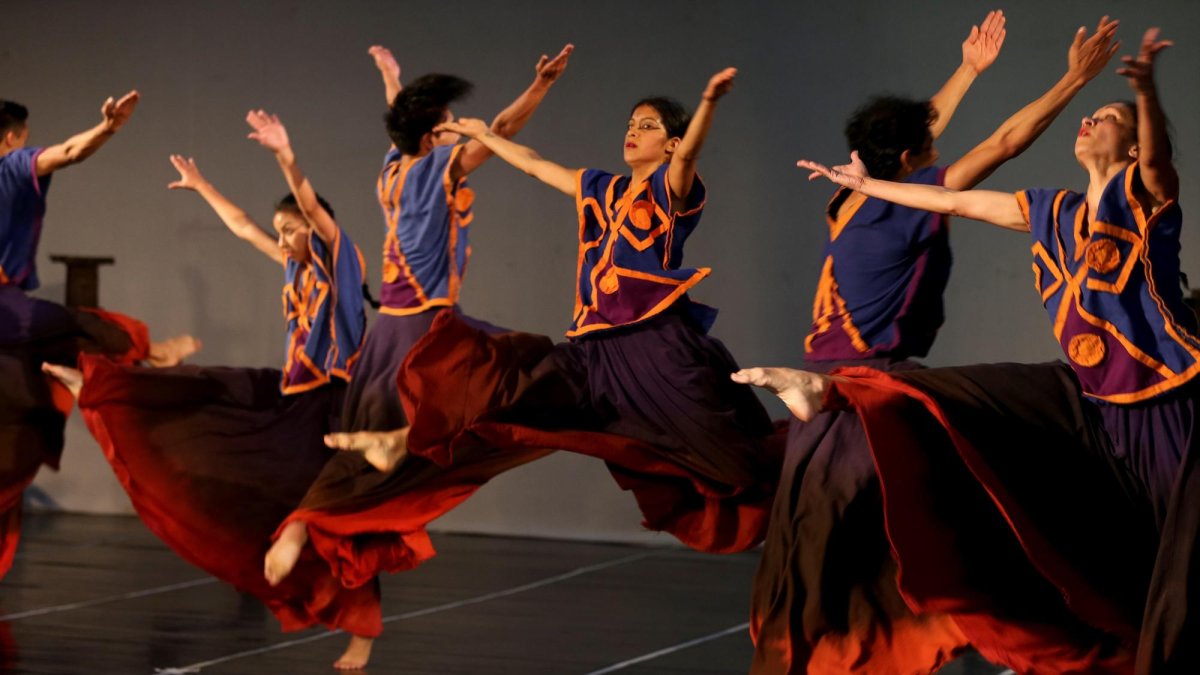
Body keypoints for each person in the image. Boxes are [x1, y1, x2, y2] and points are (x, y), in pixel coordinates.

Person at [743, 26, 1186, 675]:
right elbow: (966, 172)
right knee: (869, 546)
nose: (1093, 118)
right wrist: (1067, 82)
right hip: (886, 404)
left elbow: (922, 160)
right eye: (926, 141)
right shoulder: (1040, 210)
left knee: (840, 550)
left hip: (1159, 406)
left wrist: (1136, 93)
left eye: (1108, 118)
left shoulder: (847, 203)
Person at [335, 65, 782, 556]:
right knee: (507, 391)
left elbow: (692, 151)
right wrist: (484, 134)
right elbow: (529, 162)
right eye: (631, 124)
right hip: (590, 354)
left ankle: (811, 451)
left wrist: (709, 102)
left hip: (654, 348)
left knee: (735, 467)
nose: (634, 132)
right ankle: (401, 440)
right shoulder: (599, 188)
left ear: (671, 144)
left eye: (648, 126)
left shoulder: (669, 191)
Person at [254, 44, 572, 670]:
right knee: (524, 373)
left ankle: (308, 523)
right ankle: (384, 452)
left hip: (389, 336)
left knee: (375, 478)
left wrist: (389, 78)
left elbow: (402, 125)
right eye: (448, 121)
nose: (457, 126)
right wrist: (540, 86)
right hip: (428, 331)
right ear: (435, 134)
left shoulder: (393, 165)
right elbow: (503, 132)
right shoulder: (441, 165)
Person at [44, 108, 375, 668]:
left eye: (294, 229)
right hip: (288, 394)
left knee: (337, 517)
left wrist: (284, 154)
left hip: (334, 406)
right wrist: (203, 188)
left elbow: (311, 207)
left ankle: (357, 627)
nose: (285, 237)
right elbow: (246, 226)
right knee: (206, 390)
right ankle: (104, 386)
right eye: (283, 230)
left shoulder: (339, 260)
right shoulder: (292, 265)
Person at [0, 92, 197, 580]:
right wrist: (107, 128)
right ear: (12, 139)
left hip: (11, 321)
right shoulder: (11, 165)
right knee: (86, 324)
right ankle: (147, 351)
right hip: (5, 311)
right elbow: (68, 152)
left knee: (17, 432)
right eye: (24, 138)